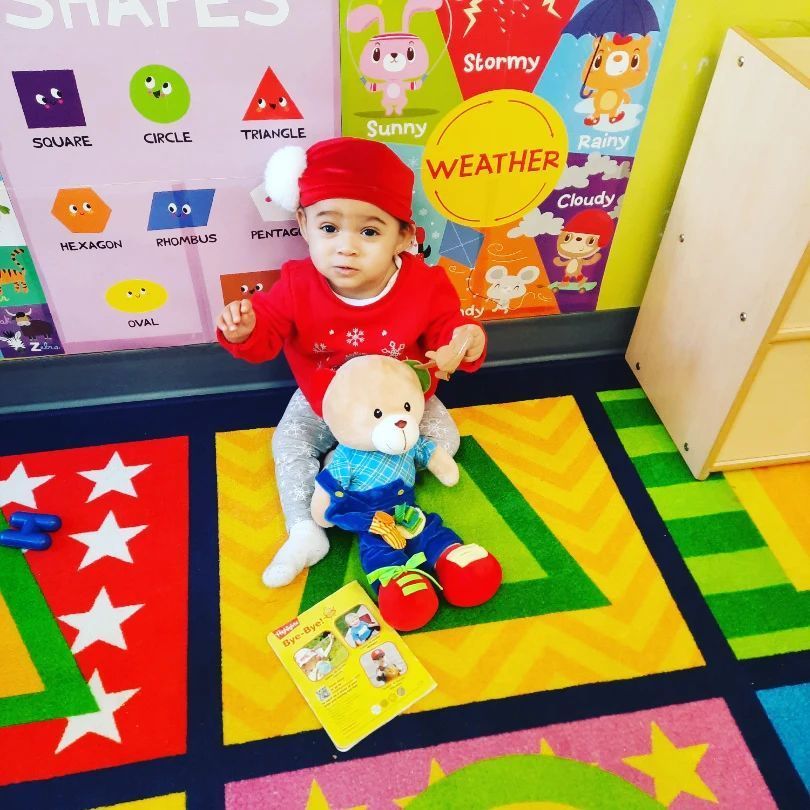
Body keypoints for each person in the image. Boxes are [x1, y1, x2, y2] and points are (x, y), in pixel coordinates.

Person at [217, 137, 487, 587]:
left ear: (403, 235)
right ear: (303, 223)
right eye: (328, 229)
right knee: (289, 445)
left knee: (446, 439)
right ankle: (305, 529)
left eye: (369, 232)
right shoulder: (296, 283)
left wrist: (467, 340)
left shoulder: (423, 283)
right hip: (325, 400)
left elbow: (448, 329)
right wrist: (243, 330)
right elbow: (264, 335)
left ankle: (360, 472)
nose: (346, 248)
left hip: (402, 404)